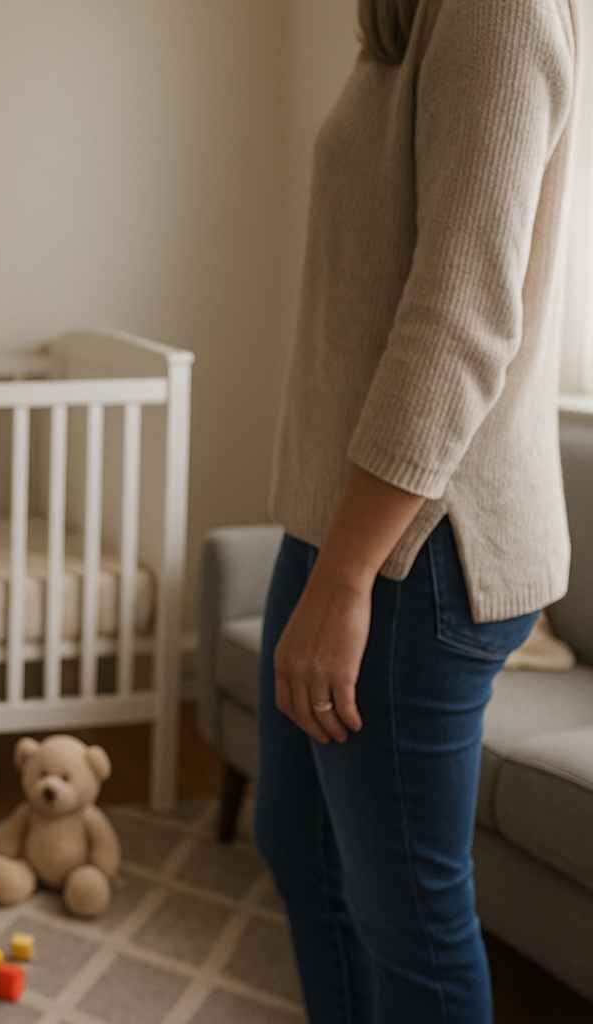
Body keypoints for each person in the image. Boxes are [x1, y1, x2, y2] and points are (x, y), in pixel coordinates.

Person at [257, 1, 577, 1021]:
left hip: (419, 548)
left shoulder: (500, 12)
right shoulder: (405, 18)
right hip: (344, 524)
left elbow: (464, 317)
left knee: (412, 932)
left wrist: (347, 573)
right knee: (301, 850)